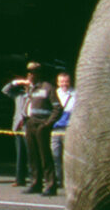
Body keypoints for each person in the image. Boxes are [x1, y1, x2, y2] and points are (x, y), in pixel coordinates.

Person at [14, 62, 59, 195]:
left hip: (41, 124)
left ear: (38, 74)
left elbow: (57, 108)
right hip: (30, 123)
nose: (29, 75)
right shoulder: (31, 89)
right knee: (32, 156)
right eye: (28, 73)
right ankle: (36, 183)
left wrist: (47, 124)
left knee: (45, 156)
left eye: (32, 73)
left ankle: (51, 185)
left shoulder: (47, 88)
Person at [52, 71, 75, 189]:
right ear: (57, 82)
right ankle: (59, 179)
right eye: (61, 82)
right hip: (55, 130)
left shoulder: (75, 94)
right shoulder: (54, 94)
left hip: (68, 129)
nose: (64, 84)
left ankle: (69, 180)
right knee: (55, 155)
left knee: (68, 156)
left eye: (66, 81)